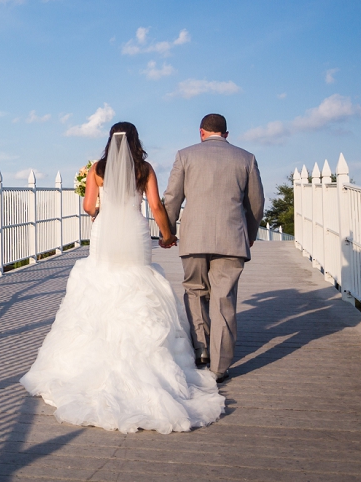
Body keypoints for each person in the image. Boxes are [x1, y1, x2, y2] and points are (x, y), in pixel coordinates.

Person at [20, 122, 225, 434]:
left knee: (103, 283)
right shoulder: (144, 169)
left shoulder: (97, 169)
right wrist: (168, 235)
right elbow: (155, 206)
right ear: (135, 140)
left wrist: (101, 204)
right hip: (134, 230)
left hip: (105, 233)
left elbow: (89, 206)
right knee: (136, 284)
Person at [164, 113, 264, 383]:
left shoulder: (185, 155)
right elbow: (256, 203)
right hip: (232, 240)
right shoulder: (246, 158)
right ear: (227, 134)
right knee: (224, 300)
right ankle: (220, 368)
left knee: (195, 291)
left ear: (201, 132)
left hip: (194, 238)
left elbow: (172, 196)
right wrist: (250, 234)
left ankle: (202, 349)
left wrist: (168, 231)